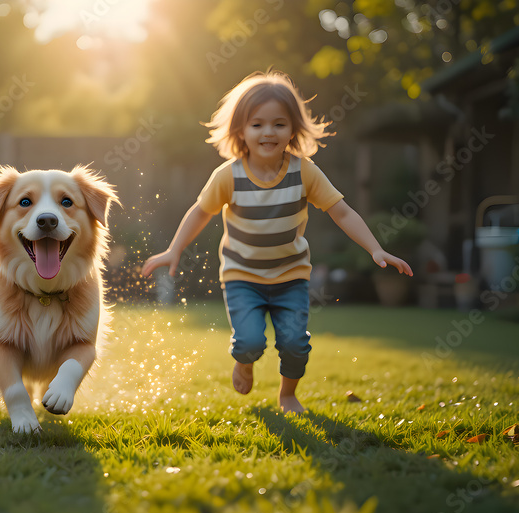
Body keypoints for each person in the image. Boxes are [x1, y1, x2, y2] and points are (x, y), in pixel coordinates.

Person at [141, 71, 412, 414]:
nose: (268, 132)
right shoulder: (229, 176)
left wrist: (375, 247)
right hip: (242, 277)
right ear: (241, 130)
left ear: (293, 129)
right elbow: (199, 212)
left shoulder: (305, 172)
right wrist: (173, 249)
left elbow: (341, 212)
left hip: (291, 277)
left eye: (279, 124)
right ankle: (245, 360)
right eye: (257, 124)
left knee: (295, 344)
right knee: (250, 342)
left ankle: (287, 395)